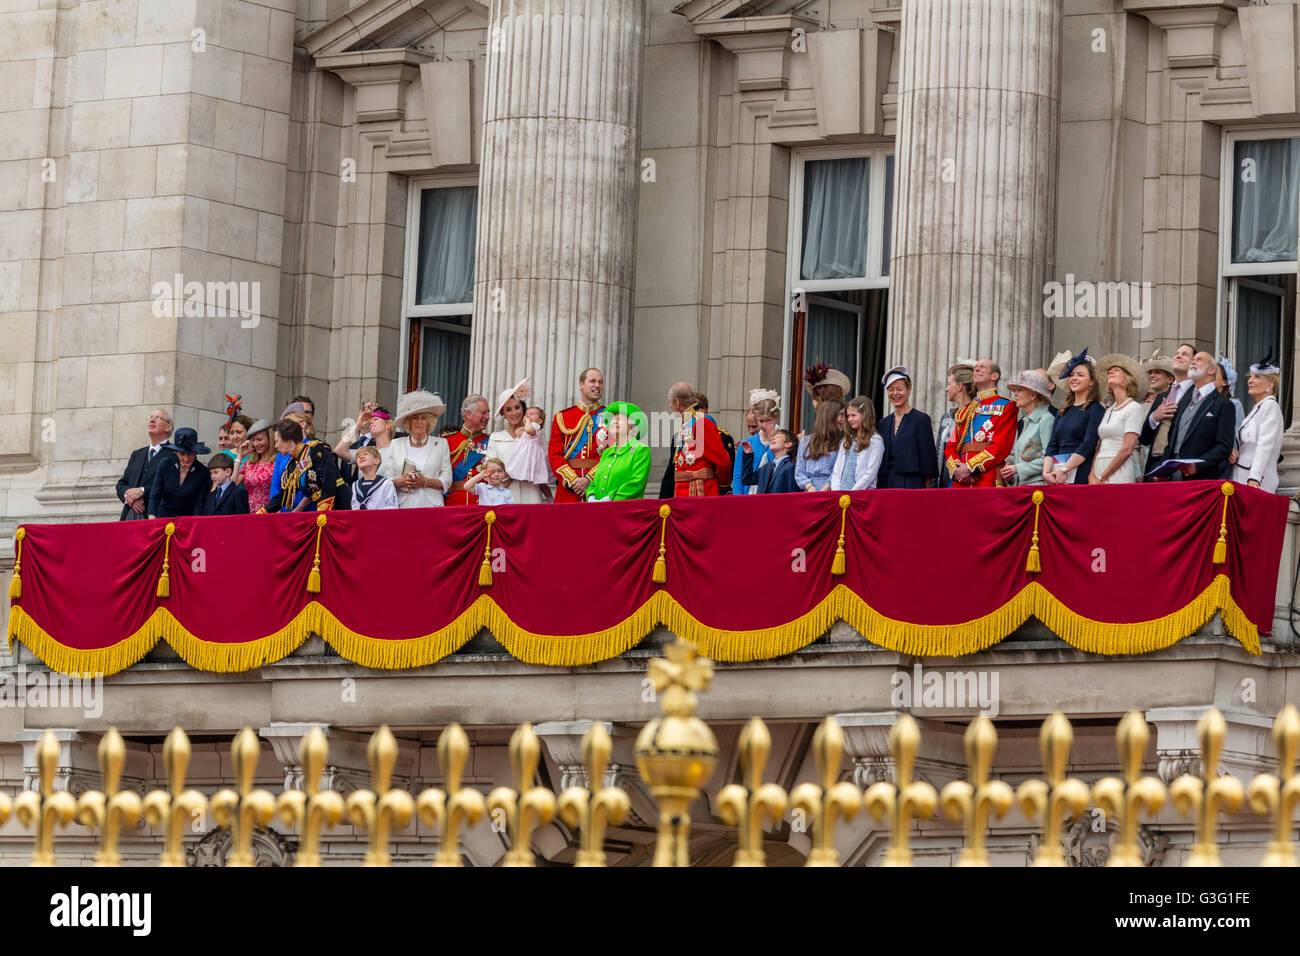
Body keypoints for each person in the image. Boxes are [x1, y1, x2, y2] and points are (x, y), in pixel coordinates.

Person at [1145, 351, 1234, 481]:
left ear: (1210, 370)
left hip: (1200, 478)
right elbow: (1171, 440)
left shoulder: (1223, 404)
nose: (1193, 362)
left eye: (1199, 360)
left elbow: (1224, 447)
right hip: (1172, 476)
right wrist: (1164, 470)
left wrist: (1198, 466)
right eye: (1192, 360)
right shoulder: (1184, 401)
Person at [944, 358, 1016, 487]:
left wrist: (970, 467)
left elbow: (1000, 447)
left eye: (982, 367)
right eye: (976, 367)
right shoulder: (966, 410)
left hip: (987, 477)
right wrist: (956, 469)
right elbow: (951, 447)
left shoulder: (1007, 405)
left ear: (994, 376)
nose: (976, 369)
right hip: (962, 480)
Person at [382, 390, 453, 508]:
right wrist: (401, 482)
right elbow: (388, 480)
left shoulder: (441, 444)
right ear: (409, 422)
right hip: (404, 506)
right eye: (415, 418)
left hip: (432, 507)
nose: (419, 422)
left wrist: (425, 482)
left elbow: (447, 481)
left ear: (429, 422)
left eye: (423, 418)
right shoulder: (396, 444)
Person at [1043, 349, 1105, 485]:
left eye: (1080, 375)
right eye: (1071, 375)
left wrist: (1065, 469)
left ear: (1091, 382)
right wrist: (1046, 472)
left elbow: (1088, 444)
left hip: (1081, 469)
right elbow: (1052, 444)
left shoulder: (1096, 409)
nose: (1074, 378)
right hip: (1057, 471)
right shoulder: (1063, 411)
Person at [262, 418, 345, 513]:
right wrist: (264, 511)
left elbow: (328, 481)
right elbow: (284, 494)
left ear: (288, 440)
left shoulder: (316, 450)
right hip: (320, 511)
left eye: (277, 441)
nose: (276, 446)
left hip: (339, 506)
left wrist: (323, 512)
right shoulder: (293, 464)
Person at [549, 368, 606, 503]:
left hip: (597, 487)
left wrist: (588, 479)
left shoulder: (611, 417)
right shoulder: (562, 417)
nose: (597, 385)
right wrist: (573, 480)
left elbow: (611, 454)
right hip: (569, 489)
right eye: (592, 381)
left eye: (600, 382)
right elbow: (554, 455)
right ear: (581, 385)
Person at [1090, 354, 1148, 484]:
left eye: (1117, 370)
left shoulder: (1134, 408)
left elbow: (1127, 449)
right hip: (1100, 467)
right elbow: (1100, 445)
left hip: (1120, 470)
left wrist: (1102, 477)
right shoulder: (1109, 410)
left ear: (1127, 378)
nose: (1111, 371)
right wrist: (1092, 475)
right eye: (1110, 370)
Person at [487, 379, 547, 504]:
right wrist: (508, 475)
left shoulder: (536, 434)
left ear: (523, 408)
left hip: (532, 494)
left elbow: (544, 463)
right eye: (508, 409)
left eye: (517, 407)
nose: (514, 413)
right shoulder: (495, 437)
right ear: (503, 413)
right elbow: (490, 467)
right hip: (504, 495)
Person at [1234, 352, 1285, 492]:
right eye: (1250, 377)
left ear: (1270, 384)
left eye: (1256, 377)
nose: (1250, 380)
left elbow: (1265, 445)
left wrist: (1254, 478)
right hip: (1242, 478)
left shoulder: (1270, 406)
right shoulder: (1258, 408)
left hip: (1256, 482)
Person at [668, 382, 730, 497]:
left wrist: (723, 485)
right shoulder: (687, 421)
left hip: (699, 491)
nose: (670, 406)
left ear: (677, 402)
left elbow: (722, 460)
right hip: (686, 491)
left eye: (670, 402)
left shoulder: (701, 421)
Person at [878, 367, 936, 489]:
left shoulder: (921, 419)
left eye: (899, 389)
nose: (895, 394)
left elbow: (928, 459)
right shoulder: (883, 423)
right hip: (886, 483)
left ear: (909, 389)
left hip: (912, 484)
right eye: (890, 390)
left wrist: (927, 491)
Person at [1140, 342, 1196, 463]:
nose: (1179, 356)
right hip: (1154, 463)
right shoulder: (1161, 397)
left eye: (1185, 354)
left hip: (1179, 464)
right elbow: (1144, 439)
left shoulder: (1197, 394)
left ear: (1194, 363)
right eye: (1177, 354)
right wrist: (1154, 417)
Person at [586, 402, 652, 501]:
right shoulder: (607, 452)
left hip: (624, 512)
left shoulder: (640, 450)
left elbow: (636, 483)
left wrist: (610, 499)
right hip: (599, 511)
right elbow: (594, 483)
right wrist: (591, 496)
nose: (614, 422)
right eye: (612, 419)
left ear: (631, 426)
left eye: (619, 419)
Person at [116, 408, 175, 520]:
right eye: (151, 417)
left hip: (157, 518)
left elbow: (171, 486)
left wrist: (142, 491)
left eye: (157, 417)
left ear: (168, 427)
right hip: (130, 517)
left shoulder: (174, 456)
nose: (152, 420)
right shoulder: (137, 454)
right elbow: (121, 484)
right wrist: (131, 499)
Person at [1000, 370, 1054, 486]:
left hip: (1038, 487)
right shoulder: (1025, 421)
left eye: (1020, 390)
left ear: (1033, 395)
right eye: (1015, 390)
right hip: (1022, 487)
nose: (1015, 394)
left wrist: (1017, 468)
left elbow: (1049, 457)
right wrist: (1010, 472)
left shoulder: (1046, 419)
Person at [148, 428, 212, 518]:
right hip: (163, 518)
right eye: (182, 454)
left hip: (187, 521)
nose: (186, 459)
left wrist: (194, 524)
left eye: (190, 454)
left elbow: (199, 504)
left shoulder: (203, 473)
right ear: (176, 452)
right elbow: (155, 494)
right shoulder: (165, 464)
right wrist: (152, 516)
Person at [443, 394, 491, 506]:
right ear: (468, 414)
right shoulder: (447, 442)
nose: (488, 417)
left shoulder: (491, 442)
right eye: (483, 412)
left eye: (488, 412)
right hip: (453, 505)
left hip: (481, 504)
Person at [934, 363, 975, 488]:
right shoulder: (946, 418)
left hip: (967, 485)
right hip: (943, 486)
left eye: (949, 384)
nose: (946, 389)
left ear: (959, 387)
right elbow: (938, 455)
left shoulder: (978, 415)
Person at [830, 396, 885, 491]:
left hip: (862, 494)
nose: (849, 419)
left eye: (853, 415)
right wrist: (837, 491)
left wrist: (853, 492)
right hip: (841, 495)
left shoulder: (875, 441)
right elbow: (837, 470)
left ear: (865, 415)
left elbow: (870, 473)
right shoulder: (846, 440)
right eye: (848, 416)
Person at [734, 390, 779, 494]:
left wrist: (773, 440)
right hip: (749, 495)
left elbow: (778, 467)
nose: (764, 425)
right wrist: (738, 500)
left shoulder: (784, 440)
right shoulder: (747, 443)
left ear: (776, 418)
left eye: (768, 420)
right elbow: (738, 476)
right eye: (761, 421)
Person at [505, 406, 553, 501]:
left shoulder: (536, 427)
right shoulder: (530, 426)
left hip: (530, 456)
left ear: (539, 421)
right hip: (526, 455)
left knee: (539, 481)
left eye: (531, 414)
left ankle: (550, 498)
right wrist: (527, 422)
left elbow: (529, 430)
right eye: (526, 414)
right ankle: (549, 497)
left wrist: (527, 422)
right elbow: (518, 432)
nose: (527, 416)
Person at [795, 399, 844, 492]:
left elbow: (837, 472)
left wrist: (825, 488)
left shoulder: (842, 443)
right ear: (830, 416)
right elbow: (799, 472)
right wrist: (809, 486)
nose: (844, 419)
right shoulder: (805, 441)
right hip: (809, 492)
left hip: (830, 491)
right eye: (841, 415)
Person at [694, 393, 735, 494]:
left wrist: (723, 487)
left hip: (710, 490)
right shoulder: (681, 435)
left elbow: (725, 466)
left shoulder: (723, 437)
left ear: (704, 410)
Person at [237, 419, 277, 513]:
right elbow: (232, 484)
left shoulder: (277, 462)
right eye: (253, 440)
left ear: (270, 439)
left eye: (259, 439)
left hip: (270, 513)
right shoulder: (249, 463)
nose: (256, 444)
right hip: (250, 513)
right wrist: (240, 456)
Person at [743, 427, 798, 494]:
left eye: (777, 437)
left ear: (788, 444)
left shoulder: (791, 467)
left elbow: (792, 494)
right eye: (773, 437)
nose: (772, 438)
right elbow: (747, 479)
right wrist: (748, 454)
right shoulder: (766, 467)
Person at [351, 445, 399, 510]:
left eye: (366, 454)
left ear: (376, 461)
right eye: (358, 456)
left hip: (380, 519)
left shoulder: (386, 483)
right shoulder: (355, 485)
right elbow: (354, 508)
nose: (361, 457)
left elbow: (392, 507)